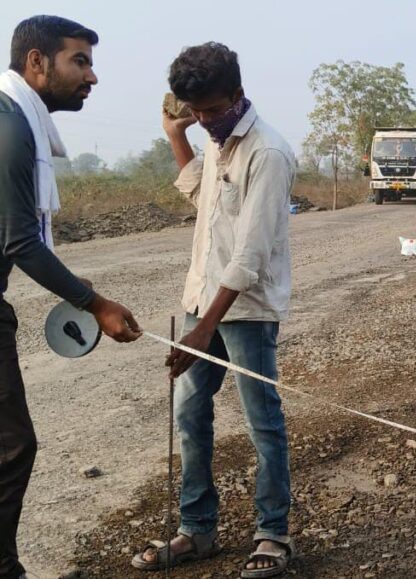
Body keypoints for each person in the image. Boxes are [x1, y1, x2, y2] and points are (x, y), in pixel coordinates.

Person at [132, 42, 296, 577]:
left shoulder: (266, 153)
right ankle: (197, 530)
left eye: (210, 109)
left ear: (237, 93)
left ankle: (272, 534)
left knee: (261, 421)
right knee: (187, 413)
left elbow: (250, 254)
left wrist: (205, 328)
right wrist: (177, 137)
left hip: (244, 310)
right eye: (194, 111)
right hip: (202, 303)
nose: (204, 119)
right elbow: (201, 200)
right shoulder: (214, 141)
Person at [0, 15, 142, 579]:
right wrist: (97, 305)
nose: (92, 76)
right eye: (78, 61)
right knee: (11, 447)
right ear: (37, 63)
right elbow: (19, 241)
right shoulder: (11, 124)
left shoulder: (15, 118)